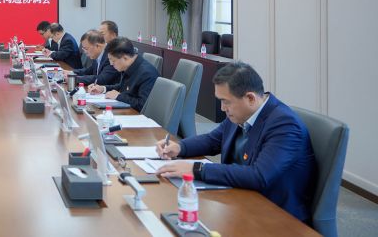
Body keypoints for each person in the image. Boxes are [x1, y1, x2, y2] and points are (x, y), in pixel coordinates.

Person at [155, 62, 316, 223]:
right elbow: (212, 140)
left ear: (250, 98)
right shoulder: (241, 113)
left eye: (226, 101)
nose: (222, 108)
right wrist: (179, 147)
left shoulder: (285, 125)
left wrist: (196, 169)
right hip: (238, 199)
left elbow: (259, 176)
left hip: (275, 217)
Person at [88, 37, 158, 110]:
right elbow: (122, 87)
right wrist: (103, 89)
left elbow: (142, 105)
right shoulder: (130, 65)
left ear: (125, 58)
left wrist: (119, 96)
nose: (111, 64)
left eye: (113, 61)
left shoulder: (147, 73)